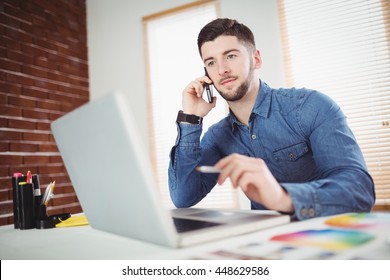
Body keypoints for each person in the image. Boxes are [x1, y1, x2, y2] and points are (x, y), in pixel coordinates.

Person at [167, 18, 375, 220]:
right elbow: (183, 197)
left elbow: (359, 191)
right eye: (211, 62)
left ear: (256, 59)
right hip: (266, 246)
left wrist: (282, 197)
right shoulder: (217, 137)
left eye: (230, 56)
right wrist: (191, 119)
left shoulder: (311, 107)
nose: (222, 70)